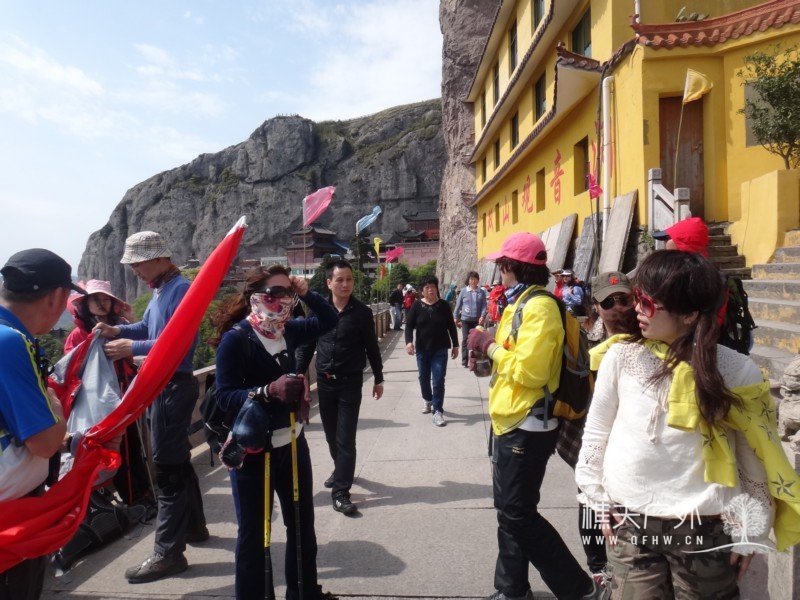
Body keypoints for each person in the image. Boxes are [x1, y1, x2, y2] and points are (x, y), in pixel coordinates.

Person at [576, 250, 800, 597]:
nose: (636, 310)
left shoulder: (735, 371)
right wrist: (598, 498)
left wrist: (750, 532)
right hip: (629, 523)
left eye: (648, 303)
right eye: (637, 298)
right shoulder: (620, 356)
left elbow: (752, 458)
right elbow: (596, 432)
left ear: (689, 314)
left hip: (705, 529)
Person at [465, 232, 599, 600]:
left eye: (501, 264)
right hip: (511, 419)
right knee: (510, 511)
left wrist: (489, 346)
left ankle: (579, 589)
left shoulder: (539, 307)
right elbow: (514, 358)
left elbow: (532, 372)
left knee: (517, 514)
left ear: (512, 267)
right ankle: (512, 589)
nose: (499, 270)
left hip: (528, 424)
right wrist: (488, 353)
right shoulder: (519, 303)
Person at [213, 265, 338, 600]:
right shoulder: (236, 340)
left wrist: (307, 292)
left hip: (292, 444)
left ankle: (304, 593)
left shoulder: (288, 329)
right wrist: (268, 391)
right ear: (255, 296)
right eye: (275, 292)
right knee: (255, 536)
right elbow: (223, 396)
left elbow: (329, 320)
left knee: (301, 527)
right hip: (254, 453)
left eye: (288, 293)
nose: (283, 300)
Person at [94, 231, 207, 584]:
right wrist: (118, 331)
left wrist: (132, 347)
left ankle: (168, 553)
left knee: (167, 468)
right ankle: (195, 528)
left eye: (139, 263)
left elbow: (178, 342)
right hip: (165, 385)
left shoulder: (181, 290)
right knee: (178, 460)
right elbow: (148, 327)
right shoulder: (161, 291)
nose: (135, 270)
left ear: (160, 259)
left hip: (174, 385)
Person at [0, 249, 79, 599]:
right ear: (56, 297)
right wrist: (57, 406)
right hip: (10, 520)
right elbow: (45, 442)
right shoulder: (9, 342)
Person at [63, 279, 153, 512]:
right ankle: (132, 499)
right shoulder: (78, 334)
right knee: (113, 451)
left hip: (125, 395)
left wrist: (131, 321)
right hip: (98, 404)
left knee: (132, 445)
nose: (102, 303)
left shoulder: (119, 327)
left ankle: (142, 495)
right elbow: (72, 369)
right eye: (96, 299)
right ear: (85, 304)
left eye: (106, 299)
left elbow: (139, 345)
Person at [315, 259, 384, 516]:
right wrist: (298, 375)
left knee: (345, 438)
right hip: (324, 383)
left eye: (349, 279)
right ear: (329, 283)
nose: (345, 284)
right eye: (340, 280)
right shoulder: (319, 310)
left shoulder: (362, 313)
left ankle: (341, 492)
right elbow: (306, 344)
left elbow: (371, 347)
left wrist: (378, 378)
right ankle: (341, 470)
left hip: (350, 383)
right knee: (331, 435)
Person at [405, 275, 459, 427]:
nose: (431, 290)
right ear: (422, 290)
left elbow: (451, 326)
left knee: (438, 379)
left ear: (437, 288)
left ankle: (437, 411)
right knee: (423, 378)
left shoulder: (444, 305)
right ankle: (428, 399)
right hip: (422, 349)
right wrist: (409, 342)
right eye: (427, 287)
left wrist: (455, 345)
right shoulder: (416, 306)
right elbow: (409, 326)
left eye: (433, 286)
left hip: (440, 349)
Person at [454, 270, 488, 368]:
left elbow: (484, 306)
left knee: (477, 340)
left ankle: (476, 361)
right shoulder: (464, 291)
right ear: (468, 280)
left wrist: (482, 316)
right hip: (465, 320)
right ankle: (464, 361)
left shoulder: (481, 292)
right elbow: (458, 305)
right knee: (465, 339)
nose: (473, 281)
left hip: (477, 320)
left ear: (478, 280)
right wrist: (455, 317)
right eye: (471, 279)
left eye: (475, 279)